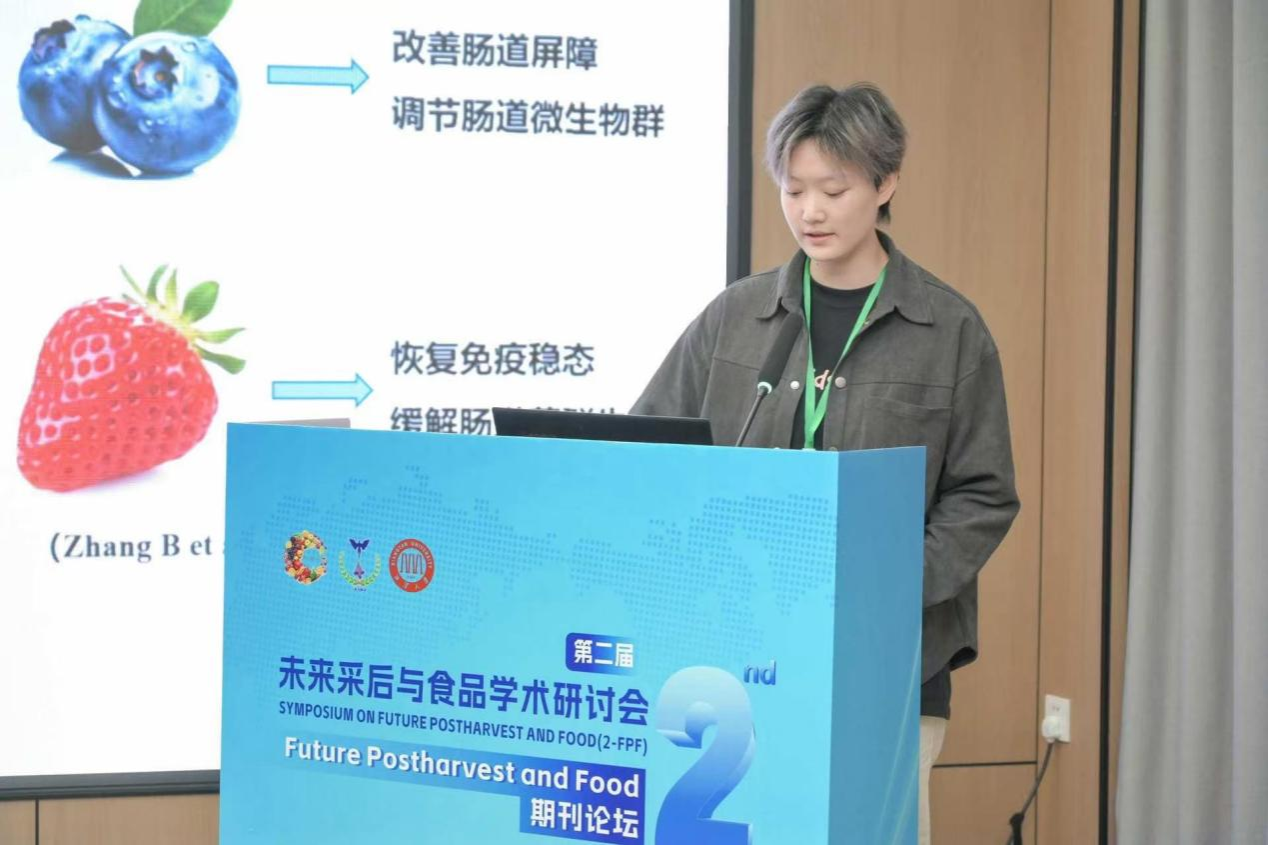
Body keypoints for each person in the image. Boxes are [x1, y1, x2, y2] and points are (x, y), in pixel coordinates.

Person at [631, 82, 1020, 844]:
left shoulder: (949, 330)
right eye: (793, 189)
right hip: (737, 661)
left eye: (833, 190)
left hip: (884, 667)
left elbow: (983, 495)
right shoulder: (735, 316)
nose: (809, 211)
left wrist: (884, 584)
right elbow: (650, 445)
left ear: (886, 182)